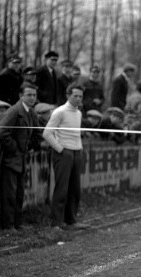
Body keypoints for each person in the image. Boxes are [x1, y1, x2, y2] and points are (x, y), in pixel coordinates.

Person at [0, 83, 41, 230]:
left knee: (19, 193)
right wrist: (14, 148)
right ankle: (8, 226)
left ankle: (17, 224)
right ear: (21, 96)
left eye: (34, 95)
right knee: (9, 195)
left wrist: (32, 146)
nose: (32, 98)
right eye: (29, 95)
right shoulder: (14, 111)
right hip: (9, 160)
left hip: (21, 159)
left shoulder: (31, 112)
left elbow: (37, 133)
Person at [42, 83, 90, 231]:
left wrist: (79, 149)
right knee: (61, 189)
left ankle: (71, 221)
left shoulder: (79, 113)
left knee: (75, 189)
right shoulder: (59, 112)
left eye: (80, 96)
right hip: (63, 153)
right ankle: (56, 223)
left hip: (76, 153)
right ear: (68, 95)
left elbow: (77, 134)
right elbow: (47, 133)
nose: (78, 99)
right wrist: (60, 149)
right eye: (75, 95)